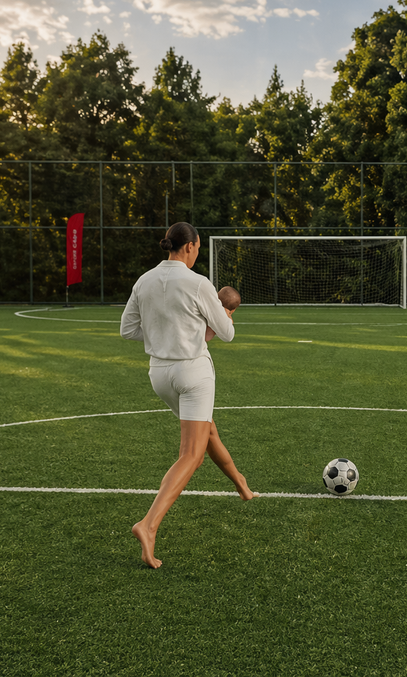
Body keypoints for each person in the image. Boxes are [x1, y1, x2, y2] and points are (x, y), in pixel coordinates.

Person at [120, 222, 256, 569]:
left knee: (207, 431)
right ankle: (148, 525)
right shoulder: (199, 283)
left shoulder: (144, 281)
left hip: (159, 375)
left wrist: (164, 336)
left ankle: (241, 484)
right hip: (193, 373)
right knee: (191, 455)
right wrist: (226, 315)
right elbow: (226, 333)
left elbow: (128, 330)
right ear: (191, 246)